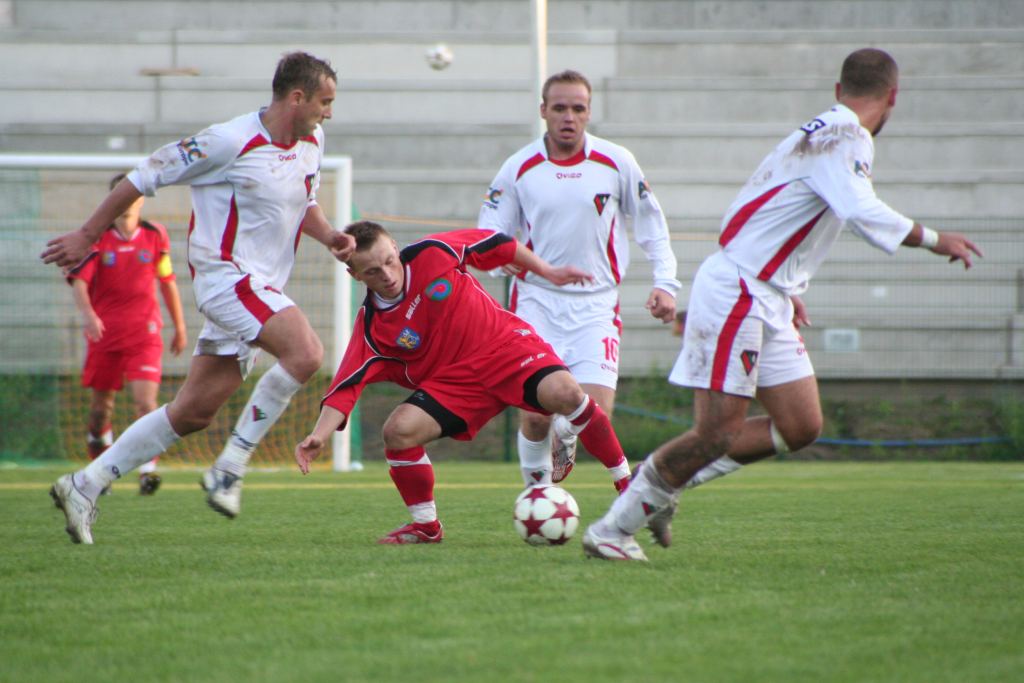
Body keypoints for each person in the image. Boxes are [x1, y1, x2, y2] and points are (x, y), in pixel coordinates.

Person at [583, 48, 983, 561]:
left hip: (765, 291)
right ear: (893, 98)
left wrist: (787, 284)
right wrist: (933, 238)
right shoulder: (847, 136)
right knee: (717, 432)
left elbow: (773, 207)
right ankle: (613, 529)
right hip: (740, 291)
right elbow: (859, 209)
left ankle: (659, 475)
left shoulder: (822, 132)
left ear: (839, 91)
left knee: (800, 425)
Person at [41, 51, 356, 544]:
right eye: (325, 101)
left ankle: (84, 484)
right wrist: (87, 234)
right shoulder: (227, 140)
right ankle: (229, 469)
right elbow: (144, 176)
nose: (329, 112)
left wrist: (331, 236)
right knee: (307, 352)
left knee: (192, 413)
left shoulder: (313, 139)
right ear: (297, 97)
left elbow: (303, 202)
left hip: (261, 289)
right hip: (227, 281)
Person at [294, 221, 632, 544]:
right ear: (354, 275)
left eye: (389, 262)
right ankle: (426, 526)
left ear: (396, 248)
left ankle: (627, 485)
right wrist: (318, 436)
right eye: (372, 272)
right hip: (455, 385)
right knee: (398, 432)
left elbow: (497, 243)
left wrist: (547, 271)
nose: (387, 275)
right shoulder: (372, 328)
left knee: (568, 394)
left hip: (505, 349)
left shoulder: (432, 253)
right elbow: (345, 387)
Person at [479, 69, 679, 490]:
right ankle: (537, 496)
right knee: (534, 413)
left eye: (578, 108)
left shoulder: (616, 161)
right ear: (543, 111)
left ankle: (565, 436)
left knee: (593, 414)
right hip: (536, 302)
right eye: (559, 108)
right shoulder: (519, 167)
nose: (568, 117)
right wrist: (501, 261)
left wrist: (665, 282)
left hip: (596, 306)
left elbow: (651, 224)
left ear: (589, 113)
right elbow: (489, 233)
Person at [66, 172, 188, 495]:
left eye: (132, 195)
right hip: (104, 334)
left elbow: (167, 280)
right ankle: (99, 467)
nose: (127, 202)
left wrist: (180, 325)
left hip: (145, 333)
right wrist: (89, 315)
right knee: (99, 411)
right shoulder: (97, 238)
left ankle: (148, 471)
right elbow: (79, 283)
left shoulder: (155, 235)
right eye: (120, 195)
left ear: (141, 198)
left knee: (146, 404)